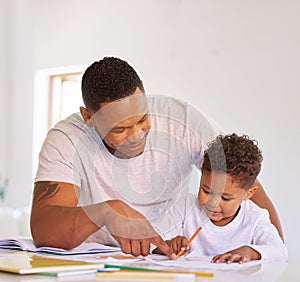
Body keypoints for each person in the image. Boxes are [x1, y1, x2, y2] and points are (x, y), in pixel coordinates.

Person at [30, 56, 284, 258]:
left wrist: (271, 268)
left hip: (163, 261)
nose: (136, 135)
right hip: (97, 262)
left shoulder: (184, 122)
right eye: (120, 129)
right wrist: (109, 211)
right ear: (89, 118)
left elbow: (246, 187)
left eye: (143, 119)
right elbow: (44, 232)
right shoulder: (67, 139)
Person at [153, 133, 287, 263]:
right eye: (206, 191)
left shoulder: (255, 217)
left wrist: (250, 252)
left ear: (248, 194)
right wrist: (167, 246)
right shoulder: (184, 208)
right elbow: (151, 243)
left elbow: (280, 251)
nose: (212, 203)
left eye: (226, 198)